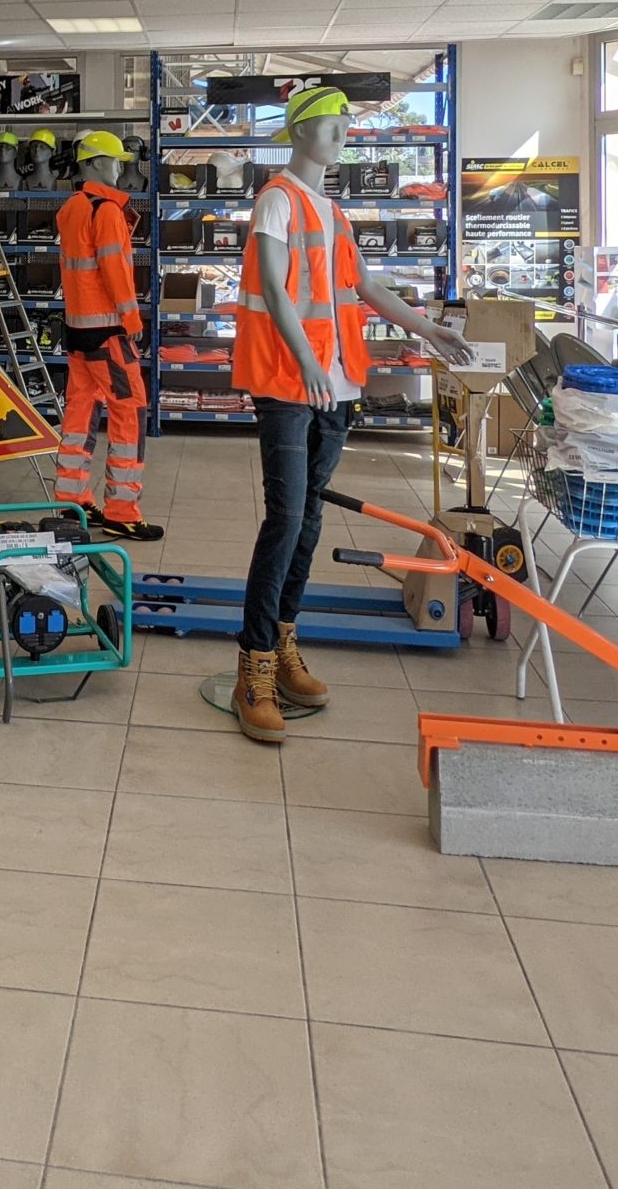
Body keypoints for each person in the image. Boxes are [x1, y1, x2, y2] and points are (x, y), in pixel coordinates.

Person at [229, 85, 472, 743]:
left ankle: (283, 645)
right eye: (332, 125)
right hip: (288, 383)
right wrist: (306, 358)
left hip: (336, 387)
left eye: (343, 125)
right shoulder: (277, 200)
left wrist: (429, 330)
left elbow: (364, 286)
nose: (342, 135)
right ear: (301, 132)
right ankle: (251, 666)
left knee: (308, 523)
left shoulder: (333, 213)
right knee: (284, 520)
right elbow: (273, 289)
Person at [52, 129, 162, 543]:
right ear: (97, 164)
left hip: (78, 329)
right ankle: (121, 511)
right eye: (116, 161)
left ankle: (71, 500)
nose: (121, 168)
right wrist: (132, 322)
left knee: (80, 411)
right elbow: (116, 272)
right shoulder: (108, 211)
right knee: (129, 408)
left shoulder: (71, 209)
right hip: (108, 331)